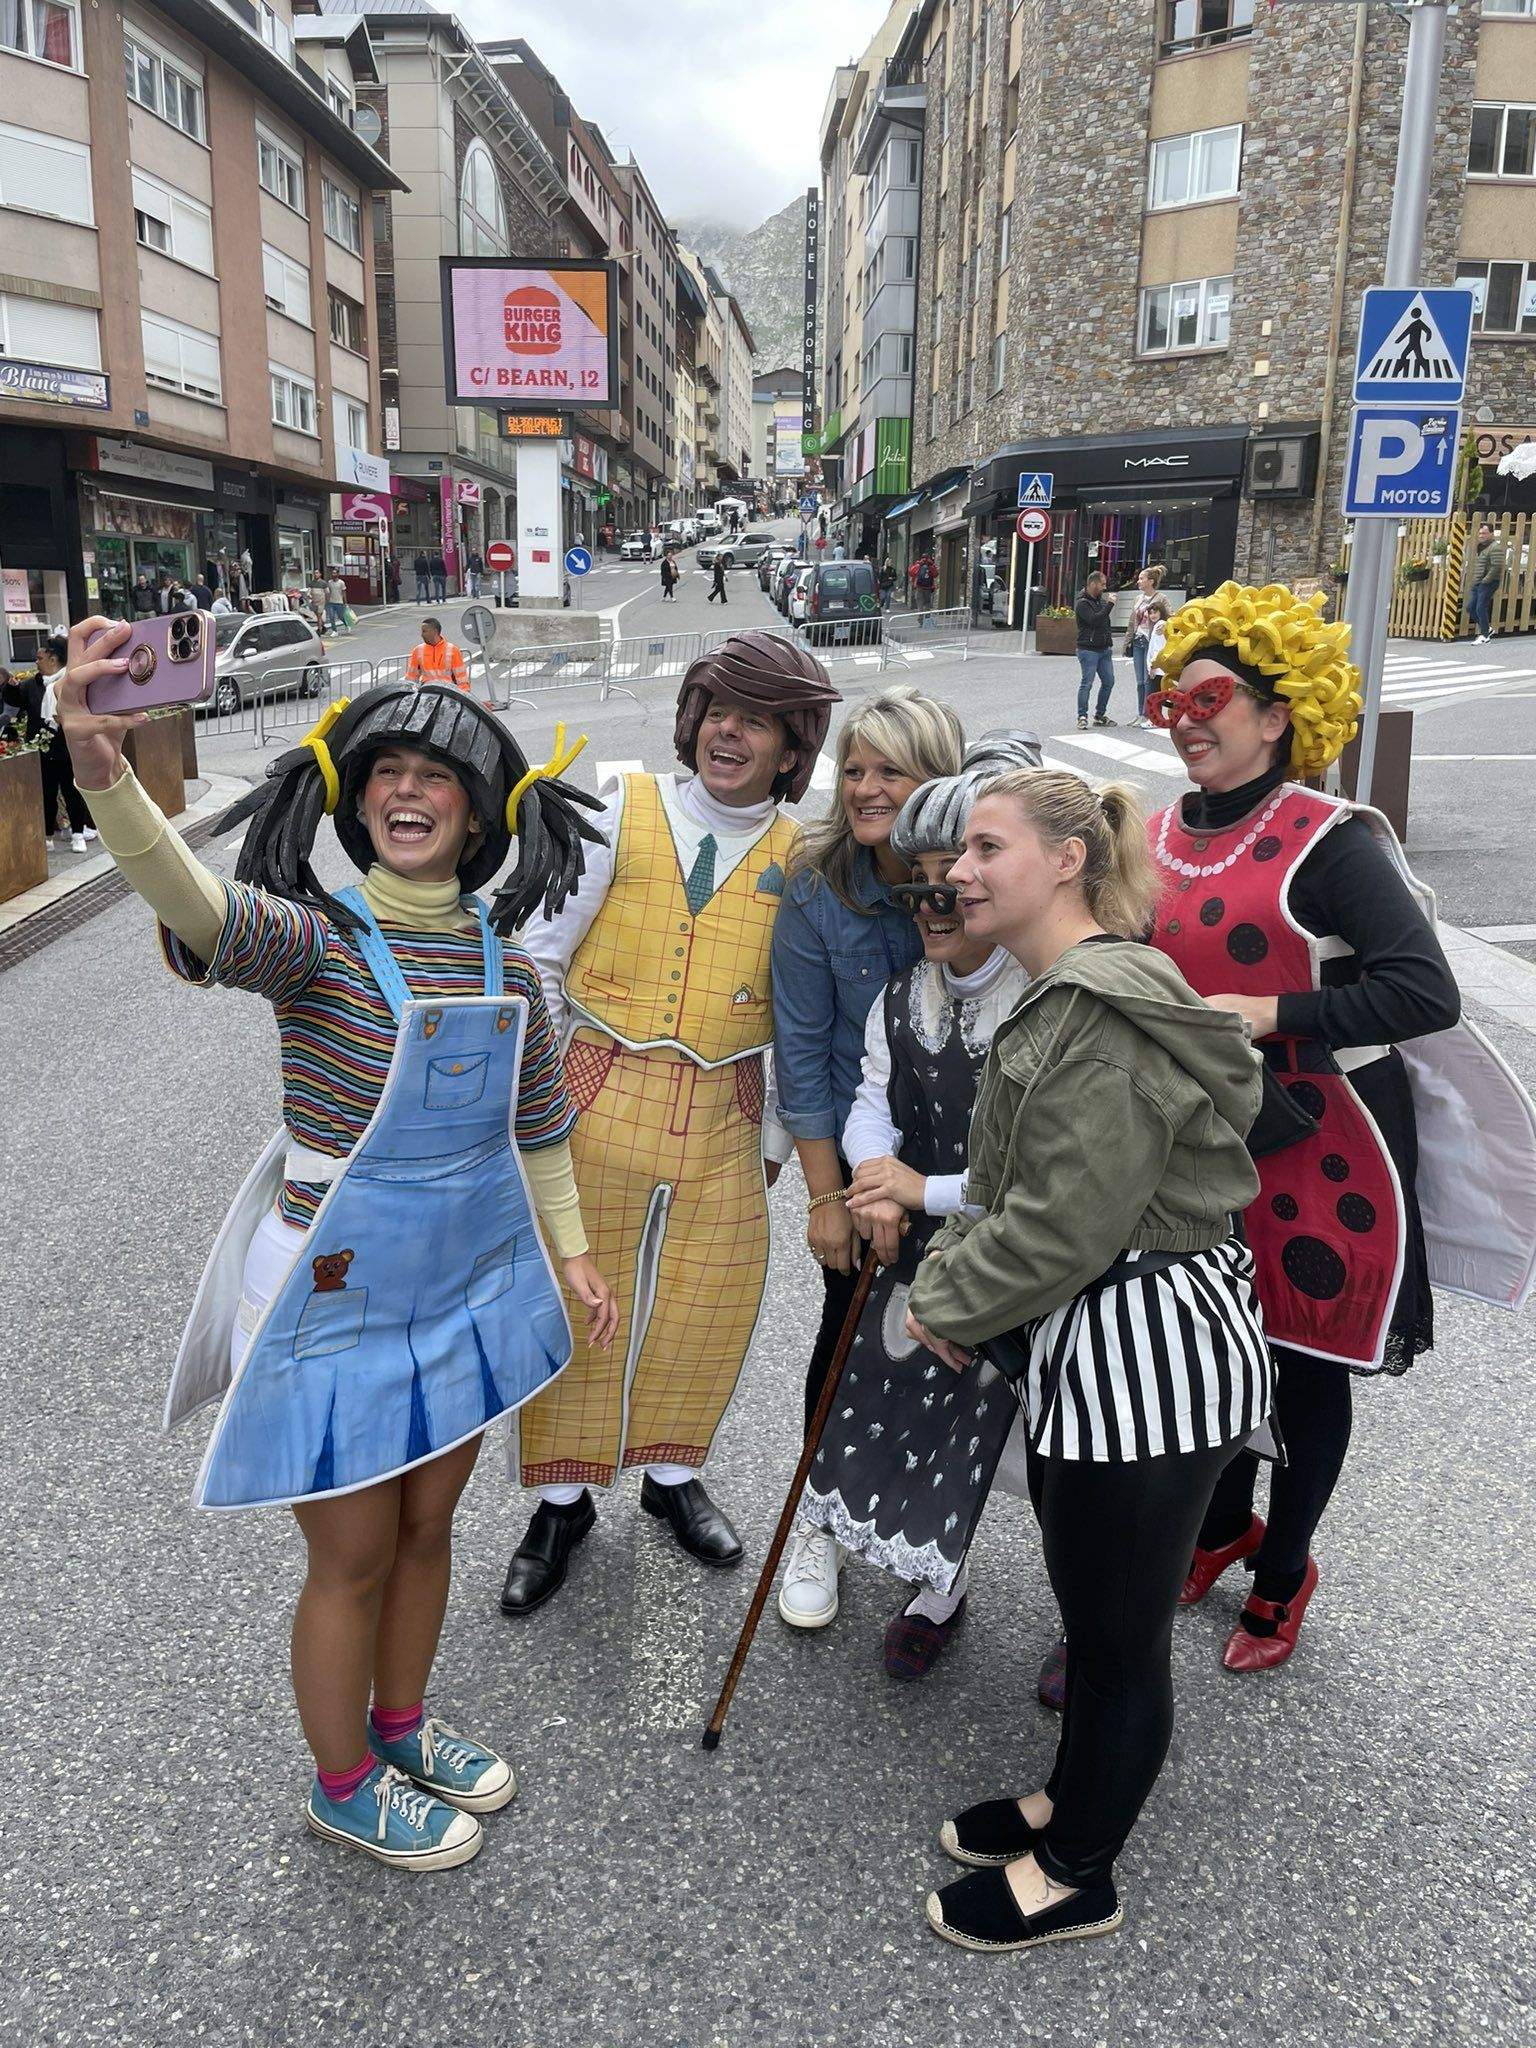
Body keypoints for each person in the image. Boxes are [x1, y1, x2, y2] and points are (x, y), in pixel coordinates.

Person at [54, 633, 617, 1870]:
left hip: (462, 1288)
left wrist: (573, 1254)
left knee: (428, 1531)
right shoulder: (312, 942)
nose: (407, 790)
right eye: (386, 774)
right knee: (353, 1553)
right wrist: (103, 773)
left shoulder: (513, 971)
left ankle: (402, 1725)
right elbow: (190, 900)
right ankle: (344, 1779)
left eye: (437, 774)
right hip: (332, 1290)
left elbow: (537, 1127)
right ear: (356, 804)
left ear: (480, 813)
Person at [906, 767, 1270, 1954]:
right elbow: (1021, 1186)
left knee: (1115, 1639)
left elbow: (1065, 1222)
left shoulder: (1099, 1013)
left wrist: (942, 1296)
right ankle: (1069, 1800)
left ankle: (1079, 1871)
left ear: (1067, 860)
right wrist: (961, 1272)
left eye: (986, 847)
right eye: (959, 851)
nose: (958, 872)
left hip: (1150, 1356)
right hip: (1104, 1343)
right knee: (1094, 1606)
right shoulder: (1069, 992)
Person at [1143, 582, 1532, 1672]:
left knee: (1303, 1362)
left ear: (1279, 715)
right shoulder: (1157, 830)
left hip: (1327, 1145)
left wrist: (1273, 1013)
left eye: (1211, 699)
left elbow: (1424, 992)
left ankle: (1284, 1570)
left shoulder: (1332, 841)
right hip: (1203, 1140)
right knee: (1214, 1344)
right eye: (1171, 700)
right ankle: (1222, 1527)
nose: (1184, 719)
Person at [503, 633, 841, 1608]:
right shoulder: (620, 809)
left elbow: (805, 1014)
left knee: (707, 1302)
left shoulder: (803, 857)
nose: (729, 733)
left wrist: (776, 1140)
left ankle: (670, 1474)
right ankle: (561, 1502)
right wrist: (541, 1093)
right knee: (579, 1297)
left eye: (758, 720)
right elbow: (539, 955)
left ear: (792, 746)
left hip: (727, 1107)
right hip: (597, 1087)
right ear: (692, 721)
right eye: (718, 712)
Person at [787, 735, 1041, 1670]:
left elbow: (1051, 1173)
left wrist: (916, 1187)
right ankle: (942, 1582)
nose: (935, 903)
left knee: (1048, 1437)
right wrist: (872, 1176)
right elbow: (868, 1099)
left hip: (1035, 1249)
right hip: (930, 1246)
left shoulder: (1042, 998)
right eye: (919, 884)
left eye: (955, 882)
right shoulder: (901, 999)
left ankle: (1082, 1616)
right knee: (928, 1412)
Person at [769, 687, 966, 1624]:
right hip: (860, 1150)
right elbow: (803, 1052)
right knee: (846, 1334)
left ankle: (940, 1536)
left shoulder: (978, 864)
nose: (866, 788)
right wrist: (828, 1199)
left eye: (893, 769)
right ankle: (821, 1519)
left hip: (968, 1149)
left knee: (960, 1345)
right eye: (854, 768)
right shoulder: (816, 885)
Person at [27, 633, 96, 852]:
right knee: (48, 793)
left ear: (53, 658)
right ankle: (50, 835)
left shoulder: (69, 680)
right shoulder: (40, 684)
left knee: (71, 790)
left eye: (40, 658)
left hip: (69, 746)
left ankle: (78, 833)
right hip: (48, 749)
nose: (37, 662)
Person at [1074, 571, 1116, 730]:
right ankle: (1082, 716)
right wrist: (1110, 605)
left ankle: (1099, 715)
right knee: (1087, 683)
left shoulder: (1100, 601)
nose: (1104, 588)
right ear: (1093, 584)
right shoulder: (1082, 603)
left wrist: (1109, 643)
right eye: (1102, 584)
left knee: (1109, 681)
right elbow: (1094, 620)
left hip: (1104, 649)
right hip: (1088, 649)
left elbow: (1105, 623)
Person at [1125, 564, 1166, 726]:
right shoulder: (1138, 599)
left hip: (1152, 642)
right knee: (1140, 681)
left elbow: (1170, 616)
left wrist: (1166, 625)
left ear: (1151, 581)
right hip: (1138, 641)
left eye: (1141, 578)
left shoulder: (1161, 598)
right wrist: (1127, 641)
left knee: (1149, 679)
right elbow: (1132, 622)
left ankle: (1148, 713)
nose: (1138, 581)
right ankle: (1140, 713)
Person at [405, 618, 468, 691]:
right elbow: (411, 678)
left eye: (424, 631)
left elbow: (461, 678)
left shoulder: (453, 650)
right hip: (427, 692)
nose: (422, 635)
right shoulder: (418, 650)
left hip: (447, 692)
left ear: (435, 631)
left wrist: (464, 694)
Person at [1466, 522, 1504, 643]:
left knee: (1480, 607)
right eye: (1480, 533)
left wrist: (1485, 581)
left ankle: (1485, 635)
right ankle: (1487, 628)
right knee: (1470, 608)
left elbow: (1496, 566)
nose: (1481, 535)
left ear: (1492, 534)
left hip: (1488, 582)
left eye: (1485, 533)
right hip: (1478, 582)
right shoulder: (1482, 546)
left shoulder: (1495, 547)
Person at [325, 570, 349, 635]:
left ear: (338, 574)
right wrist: (327, 600)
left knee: (340, 616)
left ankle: (347, 625)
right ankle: (335, 631)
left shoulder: (341, 582)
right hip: (331, 602)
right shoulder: (329, 582)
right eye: (332, 573)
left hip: (339, 602)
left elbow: (344, 593)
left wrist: (345, 602)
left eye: (334, 573)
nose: (333, 574)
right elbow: (328, 592)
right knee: (331, 617)